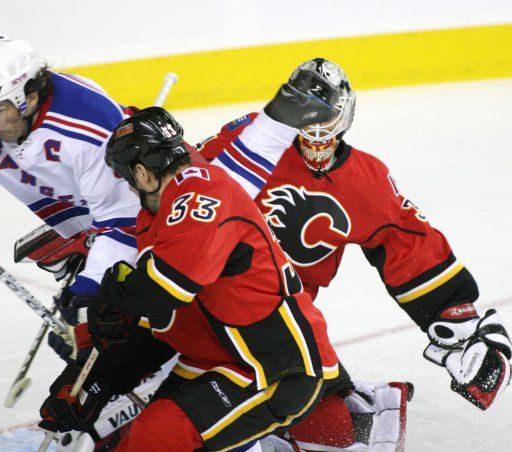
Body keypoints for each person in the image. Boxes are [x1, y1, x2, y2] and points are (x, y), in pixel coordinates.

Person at [196, 58, 512, 448]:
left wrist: (460, 329)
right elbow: (185, 186)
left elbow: (409, 244)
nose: (314, 132)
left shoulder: (366, 180)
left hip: (285, 324)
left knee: (335, 433)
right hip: (198, 300)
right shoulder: (252, 141)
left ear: (345, 117)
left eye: (325, 119)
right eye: (306, 115)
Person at [38, 107, 341, 451]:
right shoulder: (158, 214)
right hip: (214, 361)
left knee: (160, 437)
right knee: (141, 440)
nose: (128, 187)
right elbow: (164, 320)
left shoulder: (202, 193)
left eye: (125, 176)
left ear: (143, 173)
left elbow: (166, 288)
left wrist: (114, 301)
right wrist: (101, 376)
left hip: (274, 368)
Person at [0, 36, 140, 319]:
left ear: (29, 99)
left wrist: (91, 286)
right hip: (81, 216)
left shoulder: (90, 128)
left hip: (139, 219)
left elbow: (125, 221)